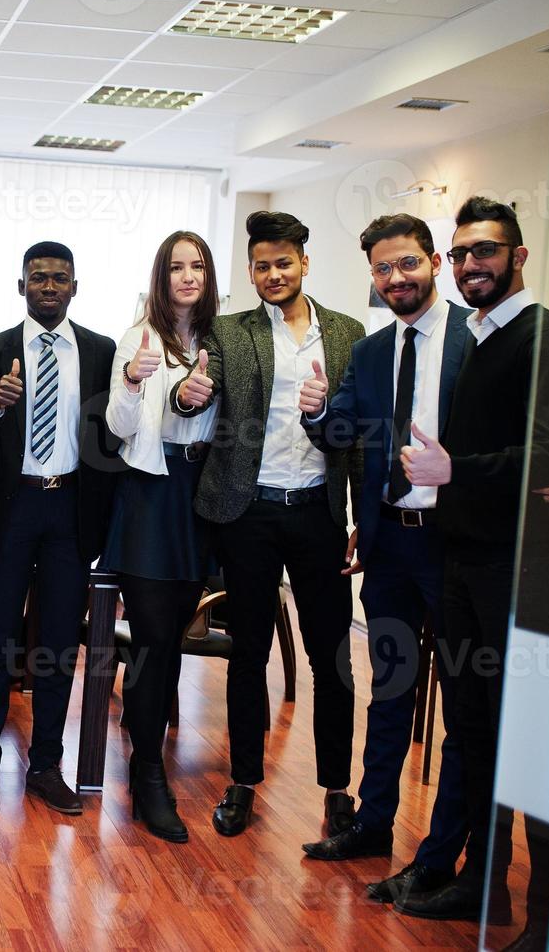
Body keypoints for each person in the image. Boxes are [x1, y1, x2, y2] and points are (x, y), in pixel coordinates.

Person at [393, 197, 549, 947]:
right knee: (475, 736)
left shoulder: (541, 335)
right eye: (463, 252)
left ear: (518, 257)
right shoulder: (478, 334)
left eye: (488, 251)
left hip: (523, 572)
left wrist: (452, 470)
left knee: (530, 750)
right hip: (465, 566)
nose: (473, 264)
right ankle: (483, 890)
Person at [173, 210, 364, 838]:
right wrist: (189, 395)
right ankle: (242, 783)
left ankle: (338, 790)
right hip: (248, 512)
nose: (273, 274)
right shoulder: (230, 331)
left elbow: (358, 436)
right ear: (250, 270)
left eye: (284, 263)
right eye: (261, 266)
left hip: (317, 512)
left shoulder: (347, 333)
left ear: (304, 264)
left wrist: (363, 517)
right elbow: (204, 385)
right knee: (248, 654)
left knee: (330, 655)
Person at [297, 214, 471, 895]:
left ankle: (438, 858)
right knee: (391, 691)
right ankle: (372, 825)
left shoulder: (472, 342)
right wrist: (315, 411)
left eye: (406, 264)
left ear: (433, 261)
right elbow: (341, 428)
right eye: (381, 269)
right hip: (389, 546)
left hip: (455, 550)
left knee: (460, 708)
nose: (394, 278)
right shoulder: (370, 353)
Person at [0, 241, 117, 819]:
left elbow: (113, 435)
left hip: (71, 510)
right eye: (38, 278)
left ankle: (46, 766)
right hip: (12, 510)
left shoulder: (101, 352)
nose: (49, 287)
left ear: (75, 286)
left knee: (57, 645)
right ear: (20, 284)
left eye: (60, 278)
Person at [100, 231, 219, 842]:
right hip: (152, 491)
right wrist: (130, 379)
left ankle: (142, 753)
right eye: (176, 266)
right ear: (161, 275)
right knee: (151, 642)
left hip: (202, 496)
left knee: (171, 639)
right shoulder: (139, 334)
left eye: (197, 265)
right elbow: (121, 428)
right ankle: (149, 774)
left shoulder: (223, 338)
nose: (187, 276)